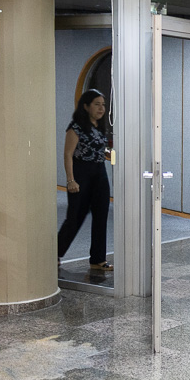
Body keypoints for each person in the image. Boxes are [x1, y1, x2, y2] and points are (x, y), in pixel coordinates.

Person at [57, 89, 112, 271]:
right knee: (75, 217)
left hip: (99, 174)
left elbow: (99, 150)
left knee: (101, 217)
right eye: (97, 104)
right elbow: (68, 154)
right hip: (81, 174)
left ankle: (98, 259)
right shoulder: (76, 127)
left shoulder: (99, 127)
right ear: (86, 106)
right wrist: (71, 180)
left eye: (103, 104)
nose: (101, 108)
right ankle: (55, 253)